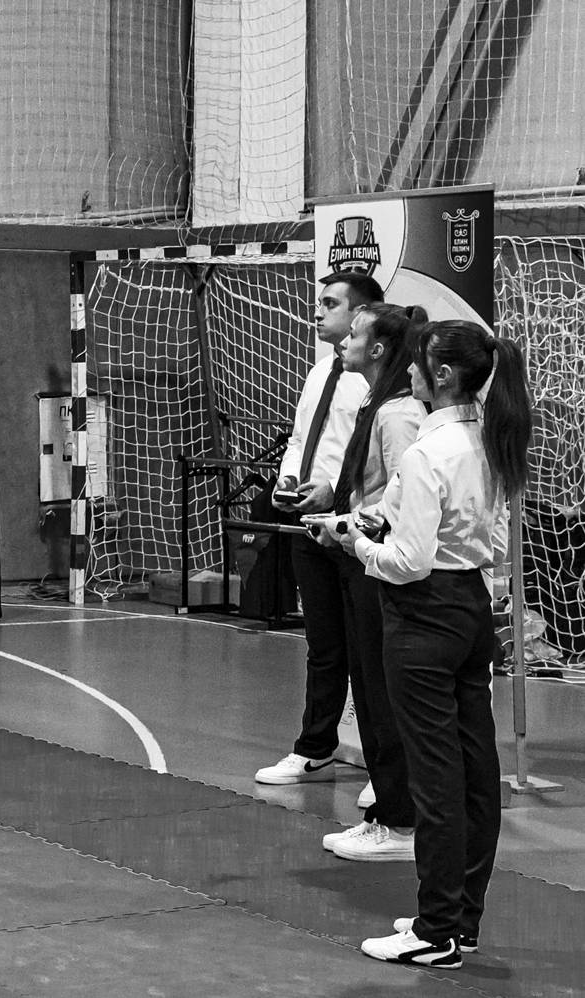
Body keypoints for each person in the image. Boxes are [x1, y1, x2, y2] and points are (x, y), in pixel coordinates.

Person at [337, 319, 533, 968]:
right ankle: (461, 920)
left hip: (424, 615)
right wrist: (375, 522)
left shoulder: (428, 451)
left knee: (436, 777)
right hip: (470, 608)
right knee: (475, 771)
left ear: (442, 375)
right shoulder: (489, 438)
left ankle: (436, 929)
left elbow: (409, 561)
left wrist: (359, 546)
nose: (411, 374)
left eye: (418, 365)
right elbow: (494, 543)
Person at [255, 271, 383, 787]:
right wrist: (289, 479)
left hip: (355, 530)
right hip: (310, 526)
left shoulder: (379, 384)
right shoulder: (318, 372)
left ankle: (385, 770)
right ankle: (315, 749)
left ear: (361, 315)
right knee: (324, 645)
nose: (318, 312)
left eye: (330, 304)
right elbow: (301, 437)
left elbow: (376, 460)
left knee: (368, 652)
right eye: (319, 302)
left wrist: (334, 489)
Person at [310, 304, 428, 862]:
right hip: (359, 555)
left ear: (378, 348)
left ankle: (400, 821)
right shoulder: (373, 402)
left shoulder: (399, 413)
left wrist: (349, 524)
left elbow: (404, 495)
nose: (344, 341)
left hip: (380, 565)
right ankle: (387, 807)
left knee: (383, 695)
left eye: (354, 333)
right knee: (369, 688)